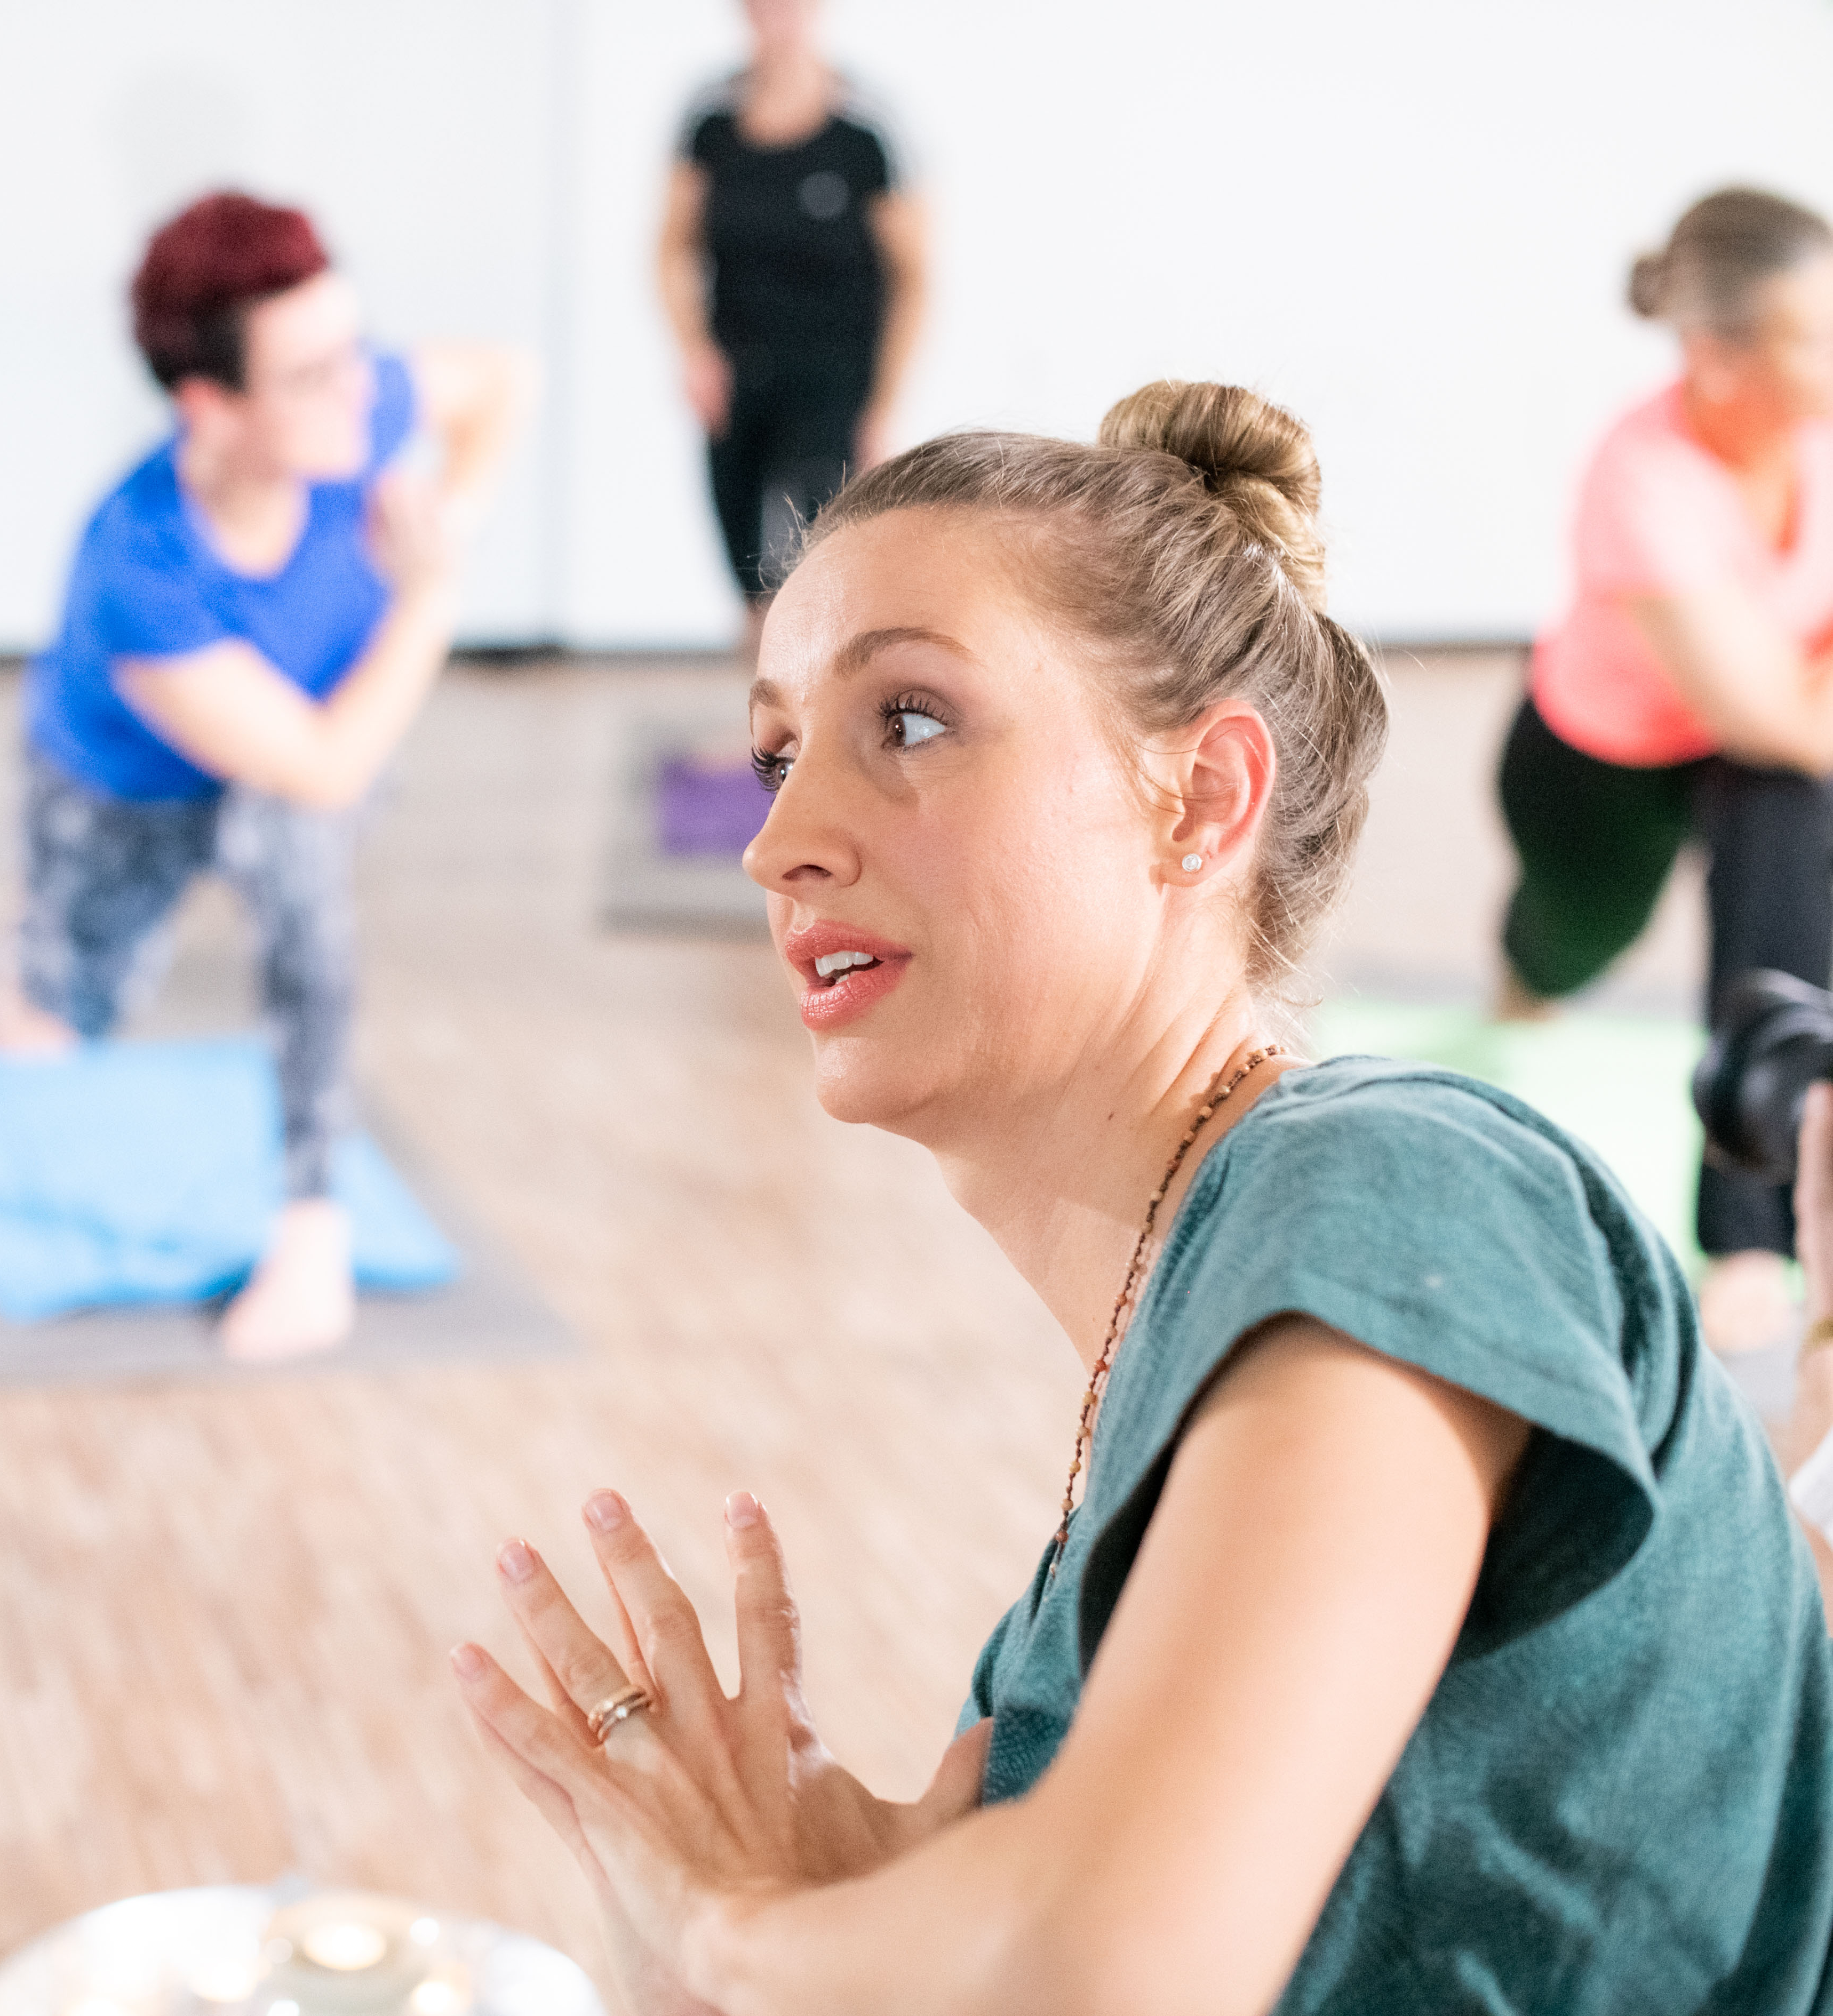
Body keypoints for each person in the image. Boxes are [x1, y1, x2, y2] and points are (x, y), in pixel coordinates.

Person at [448, 384, 1833, 2011]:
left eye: (905, 721)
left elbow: (1107, 1969)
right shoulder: (1059, 1622)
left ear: (1202, 800)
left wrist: (726, 1921)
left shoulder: (1394, 1183)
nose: (779, 842)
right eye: (774, 751)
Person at [0, 191, 528, 1361]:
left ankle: (311, 1224)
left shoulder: (353, 410)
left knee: (298, 877)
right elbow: (330, 766)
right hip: (125, 794)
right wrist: (430, 593)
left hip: (297, 761)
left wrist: (454, 513)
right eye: (314, 373)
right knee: (58, 1014)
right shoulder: (139, 567)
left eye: (353, 349)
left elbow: (501, 382)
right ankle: (33, 961)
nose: (362, 388)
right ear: (211, 407)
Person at [1496, 187, 1833, 1354]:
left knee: (1786, 894)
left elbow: (1783, 726)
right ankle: (1521, 975)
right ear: (1718, 356)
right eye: (1820, 333)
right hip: (1602, 763)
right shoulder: (1640, 474)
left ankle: (1751, 1230)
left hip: (1763, 748)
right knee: (1568, 944)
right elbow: (1767, 709)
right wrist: (1800, 695)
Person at [657, 0, 928, 666]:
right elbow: (671, 248)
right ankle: (765, 728)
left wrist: (884, 408)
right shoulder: (710, 119)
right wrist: (694, 352)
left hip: (834, 382)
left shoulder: (864, 128)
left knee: (816, 558)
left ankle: (820, 731)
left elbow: (914, 280)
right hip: (739, 373)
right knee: (746, 563)